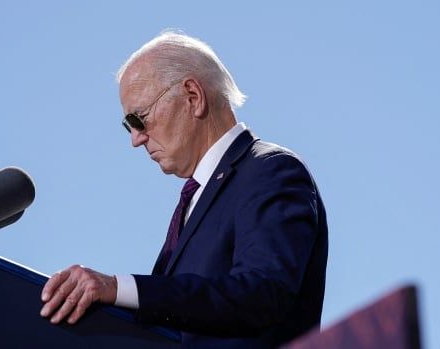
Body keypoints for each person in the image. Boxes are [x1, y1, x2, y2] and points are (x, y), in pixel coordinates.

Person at [40, 31, 328, 349]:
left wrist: (117, 287)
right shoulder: (196, 199)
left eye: (138, 119)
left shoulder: (270, 170)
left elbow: (261, 294)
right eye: (129, 126)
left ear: (193, 96)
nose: (135, 139)